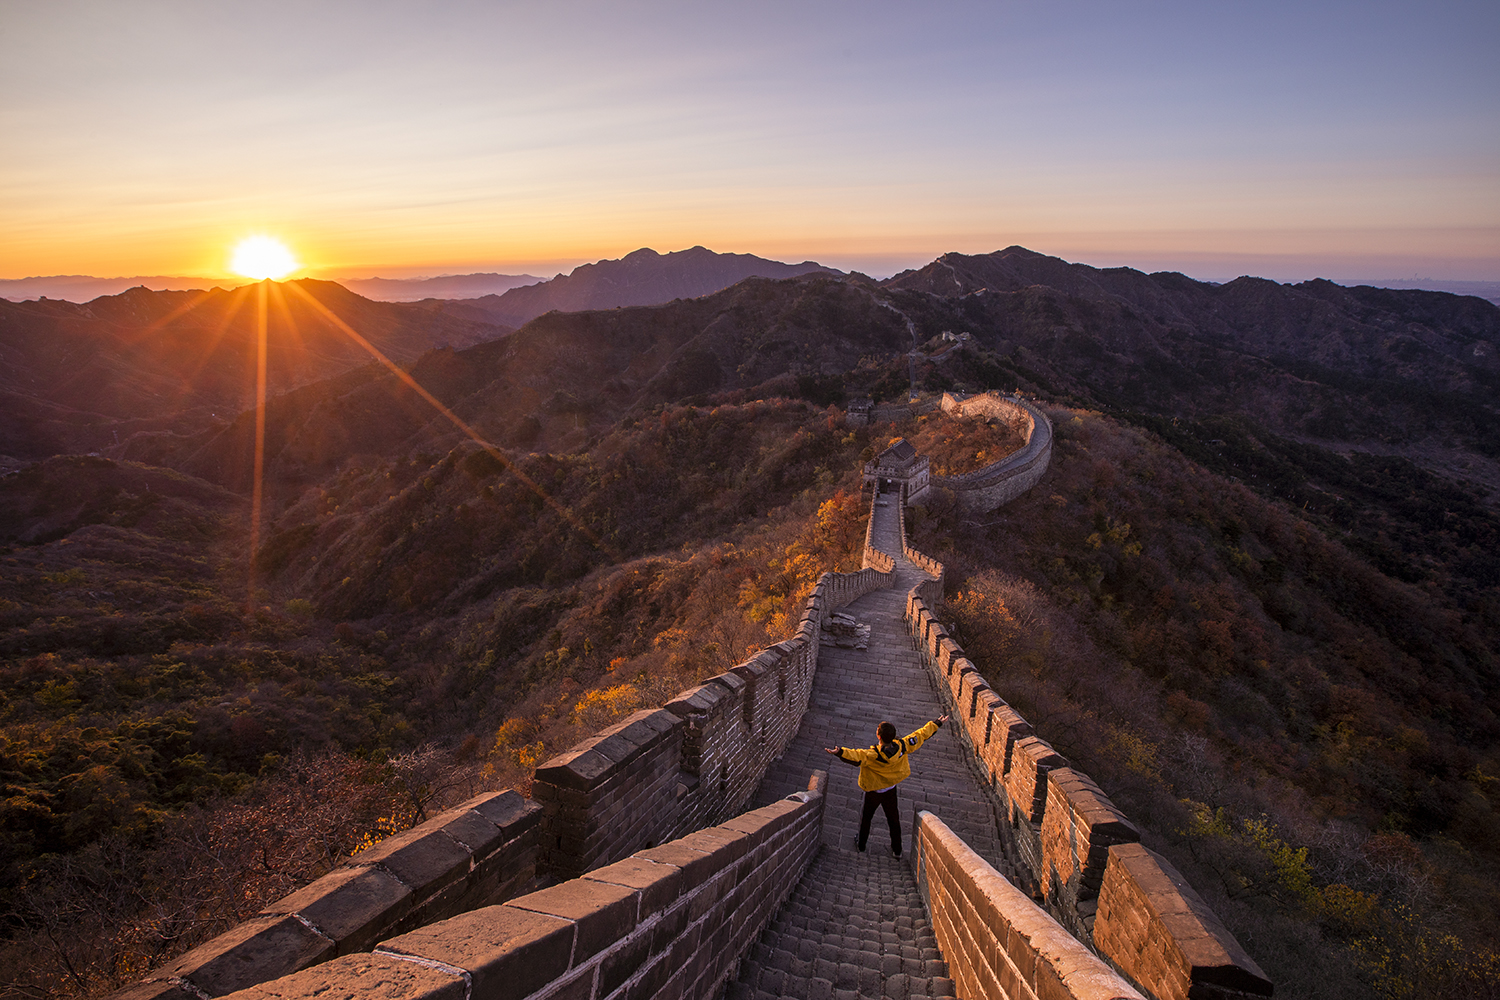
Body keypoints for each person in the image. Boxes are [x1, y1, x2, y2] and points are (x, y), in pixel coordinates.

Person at [824, 714, 948, 857]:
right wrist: (937, 723)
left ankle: (862, 845)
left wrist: (839, 752)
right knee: (893, 820)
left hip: (874, 792)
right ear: (893, 736)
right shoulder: (902, 746)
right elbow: (920, 735)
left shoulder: (873, 755)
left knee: (866, 819)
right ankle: (897, 850)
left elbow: (857, 756)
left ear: (879, 736)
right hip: (890, 790)